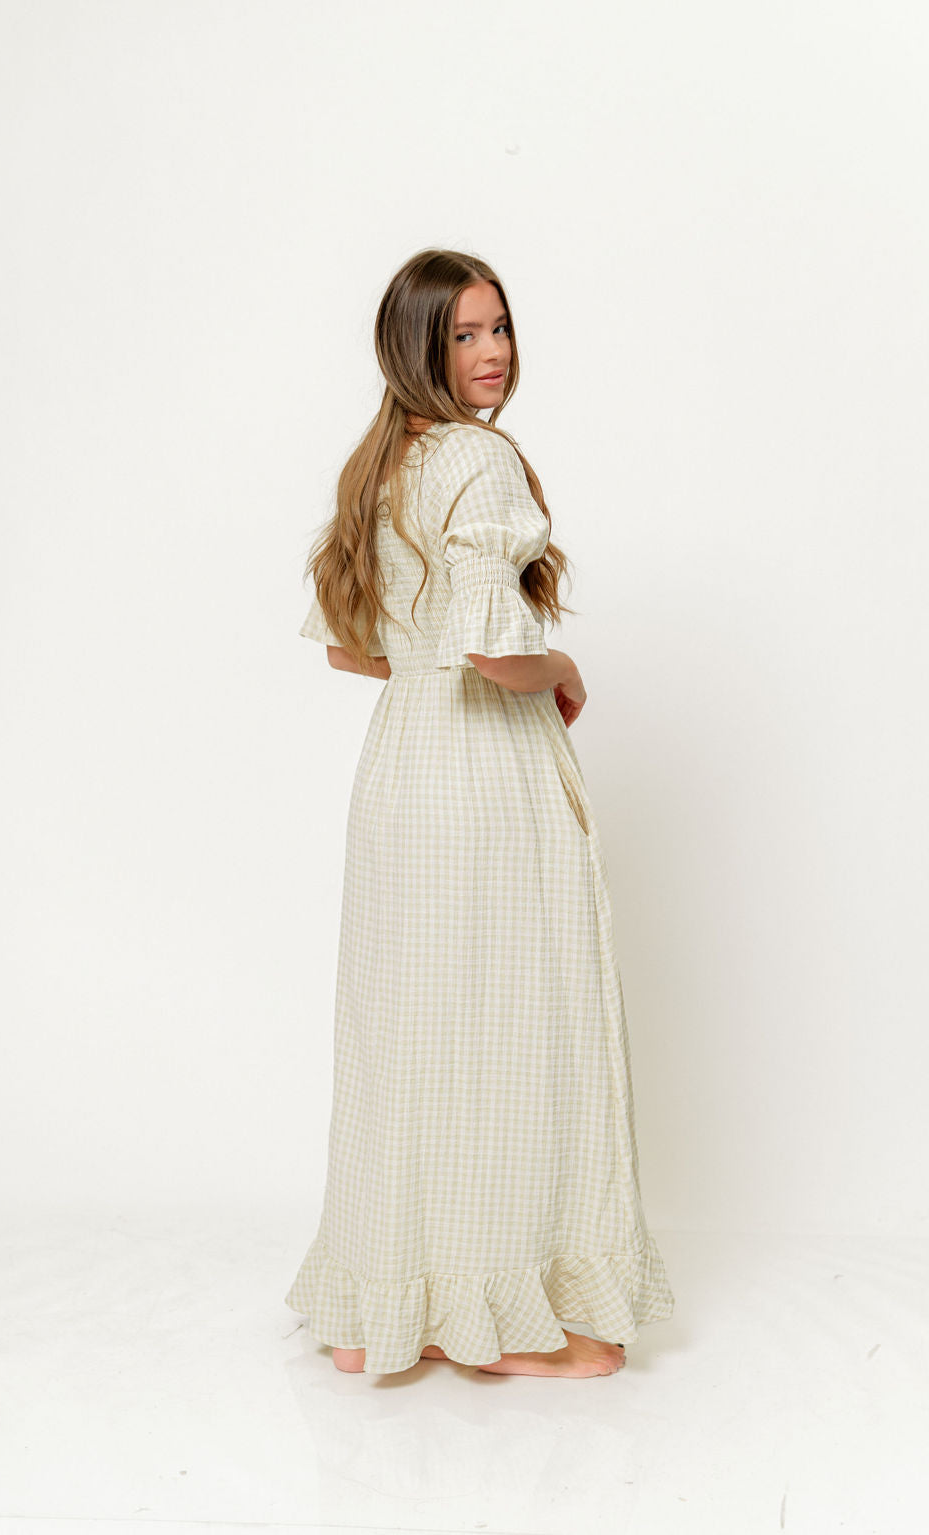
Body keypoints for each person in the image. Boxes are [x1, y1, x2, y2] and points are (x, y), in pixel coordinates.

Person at [284, 248, 674, 1378]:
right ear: (417, 347)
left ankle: (387, 1308)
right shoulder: (477, 459)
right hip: (484, 771)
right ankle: (504, 1321)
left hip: (404, 767)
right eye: (463, 334)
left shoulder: (379, 467)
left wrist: (452, 658)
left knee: (417, 1033)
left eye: (498, 326)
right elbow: (495, 651)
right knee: (514, 1031)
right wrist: (562, 667)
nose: (492, 351)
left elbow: (355, 650)